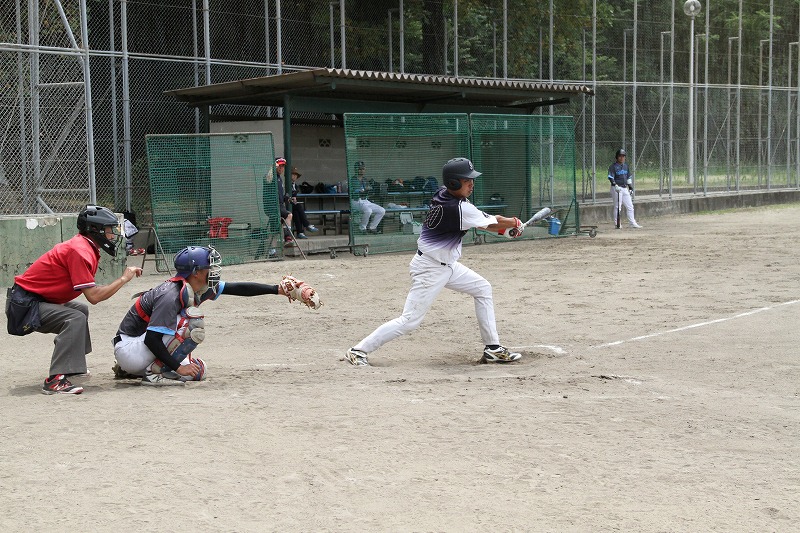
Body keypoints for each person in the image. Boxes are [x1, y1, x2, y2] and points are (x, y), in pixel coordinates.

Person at [345, 157, 527, 367]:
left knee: (482, 288)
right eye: (467, 180)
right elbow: (491, 222)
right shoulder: (458, 207)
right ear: (453, 183)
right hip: (430, 269)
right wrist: (514, 223)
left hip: (447, 265)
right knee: (409, 321)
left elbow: (482, 221)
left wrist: (505, 229)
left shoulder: (444, 194)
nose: (471, 184)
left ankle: (492, 348)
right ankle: (358, 350)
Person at [112, 245, 321, 386]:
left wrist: (277, 290)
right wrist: (178, 368)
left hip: (142, 348)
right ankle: (152, 372)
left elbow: (237, 288)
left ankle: (144, 369)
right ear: (195, 272)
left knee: (199, 371)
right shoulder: (170, 294)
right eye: (208, 267)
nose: (213, 270)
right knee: (191, 322)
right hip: (130, 349)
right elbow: (152, 339)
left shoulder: (197, 286)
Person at [7, 205, 143, 394]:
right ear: (95, 230)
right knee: (74, 318)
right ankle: (55, 380)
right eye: (109, 230)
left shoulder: (85, 246)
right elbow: (94, 296)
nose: (113, 235)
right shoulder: (79, 251)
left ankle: (73, 366)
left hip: (34, 300)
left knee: (80, 310)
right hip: (24, 305)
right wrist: (123, 279)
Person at [608, 148, 642, 229]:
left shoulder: (626, 166)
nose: (622, 158)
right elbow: (610, 177)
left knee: (630, 206)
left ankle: (632, 223)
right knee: (617, 207)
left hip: (624, 188)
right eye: (620, 156)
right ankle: (617, 224)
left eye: (623, 156)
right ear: (617, 157)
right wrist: (615, 185)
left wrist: (630, 187)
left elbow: (628, 177)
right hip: (616, 188)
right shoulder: (613, 166)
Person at [350, 160, 386, 234]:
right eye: (359, 169)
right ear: (355, 169)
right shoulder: (352, 180)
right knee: (368, 210)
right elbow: (354, 191)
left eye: (363, 169)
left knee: (382, 210)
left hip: (365, 201)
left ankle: (372, 228)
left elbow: (369, 189)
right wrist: (361, 190)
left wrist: (368, 190)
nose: (361, 170)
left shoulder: (365, 180)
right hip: (355, 201)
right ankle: (362, 228)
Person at [288, 166, 319, 239]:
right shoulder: (287, 184)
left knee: (296, 213)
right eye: (293, 174)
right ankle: (307, 225)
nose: (294, 176)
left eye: (296, 175)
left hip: (292, 205)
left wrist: (294, 199)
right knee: (299, 206)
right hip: (287, 204)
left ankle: (300, 232)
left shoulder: (295, 186)